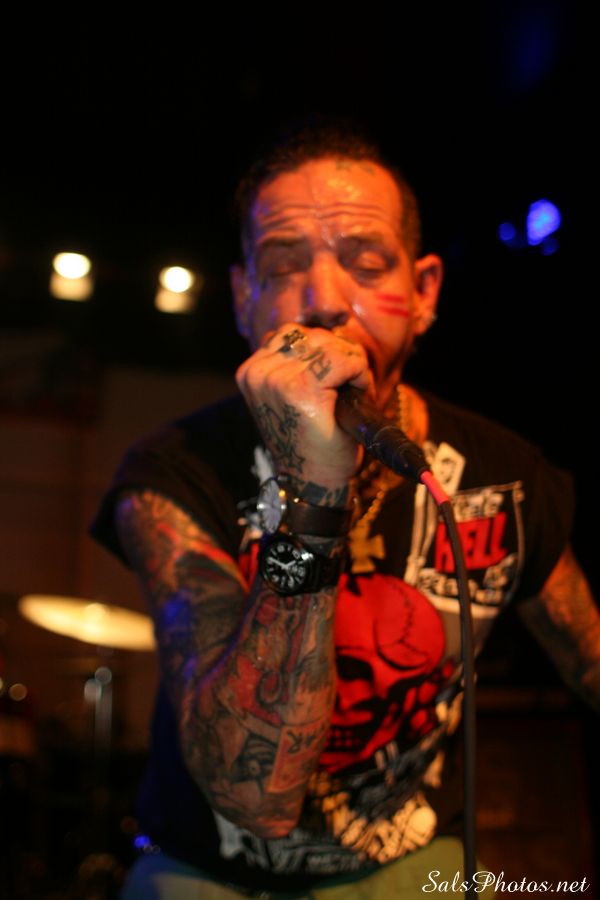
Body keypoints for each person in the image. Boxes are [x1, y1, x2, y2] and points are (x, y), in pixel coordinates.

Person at [90, 122, 600, 898]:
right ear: (243, 298)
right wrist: (315, 500)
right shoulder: (174, 475)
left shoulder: (504, 478)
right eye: (282, 265)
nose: (325, 300)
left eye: (365, 264)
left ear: (425, 293)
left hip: (412, 865)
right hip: (210, 872)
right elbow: (256, 795)